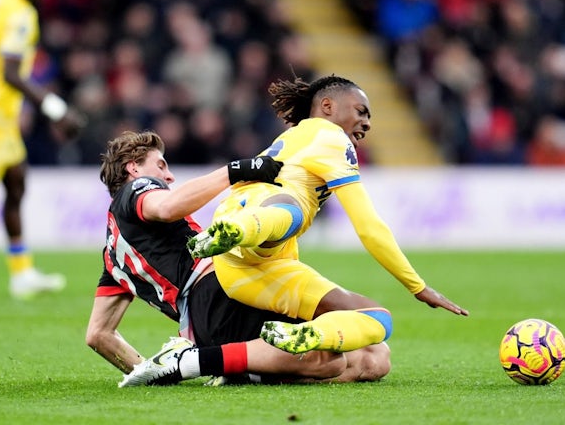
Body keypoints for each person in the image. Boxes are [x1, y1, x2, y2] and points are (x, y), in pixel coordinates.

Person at [186, 74, 469, 356]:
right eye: (361, 111)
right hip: (255, 217)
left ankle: (306, 335)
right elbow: (369, 227)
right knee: (292, 213)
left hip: (247, 269)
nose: (367, 123)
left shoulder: (298, 136)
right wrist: (417, 286)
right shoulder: (331, 136)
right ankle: (233, 231)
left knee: (377, 317)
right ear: (327, 106)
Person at [86, 130, 390, 387]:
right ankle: (200, 362)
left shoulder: (113, 257)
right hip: (215, 295)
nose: (169, 175)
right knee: (326, 362)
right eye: (161, 165)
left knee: (375, 358)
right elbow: (167, 207)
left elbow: (99, 335)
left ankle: (227, 365)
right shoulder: (135, 191)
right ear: (133, 169)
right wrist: (234, 170)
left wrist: (144, 372)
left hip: (213, 318)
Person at [0, 0, 82, 299]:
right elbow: (11, 73)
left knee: (16, 181)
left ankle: (21, 271)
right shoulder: (21, 14)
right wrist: (57, 109)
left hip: (2, 119)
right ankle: (21, 272)